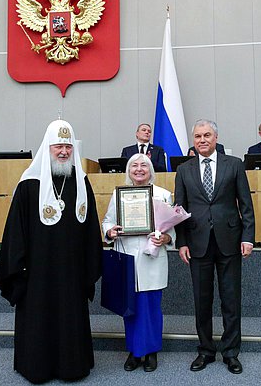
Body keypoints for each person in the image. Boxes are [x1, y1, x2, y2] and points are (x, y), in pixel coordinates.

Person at [0, 120, 102, 383]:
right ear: (48, 147)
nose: (63, 151)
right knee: (38, 317)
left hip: (72, 272)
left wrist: (90, 266)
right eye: (58, 146)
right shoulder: (29, 185)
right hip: (37, 274)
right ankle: (36, 367)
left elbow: (90, 229)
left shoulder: (81, 182)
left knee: (70, 317)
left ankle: (72, 367)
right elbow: (16, 232)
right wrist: (18, 268)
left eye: (68, 146)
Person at [174, 119, 255, 375]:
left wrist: (248, 237)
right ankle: (206, 350)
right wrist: (182, 242)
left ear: (216, 138)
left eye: (207, 135)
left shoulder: (234, 165)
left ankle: (231, 353)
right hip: (197, 244)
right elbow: (180, 209)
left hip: (230, 242)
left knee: (231, 300)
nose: (202, 140)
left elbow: (246, 204)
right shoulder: (184, 170)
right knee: (202, 301)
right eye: (197, 136)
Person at [102, 154, 175, 373]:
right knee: (130, 309)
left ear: (151, 170)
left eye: (144, 165)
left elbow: (172, 229)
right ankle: (134, 351)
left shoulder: (163, 194)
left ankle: (151, 351)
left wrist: (165, 238)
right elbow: (107, 220)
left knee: (151, 307)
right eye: (134, 165)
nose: (139, 169)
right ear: (128, 170)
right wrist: (109, 230)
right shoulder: (119, 194)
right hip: (126, 258)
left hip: (151, 259)